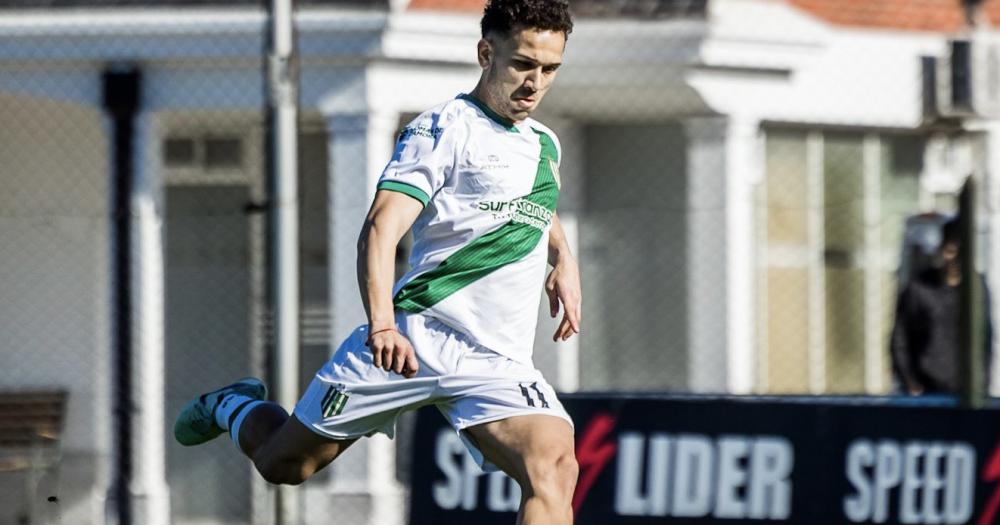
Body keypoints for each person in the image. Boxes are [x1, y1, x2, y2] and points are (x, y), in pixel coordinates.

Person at [173, 0, 581, 522]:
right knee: (285, 465)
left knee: (554, 468)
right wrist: (383, 326)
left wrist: (563, 258)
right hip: (409, 339)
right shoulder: (443, 130)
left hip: (493, 361)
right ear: (486, 53)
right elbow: (381, 229)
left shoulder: (544, 144)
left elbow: (538, 206)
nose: (535, 82)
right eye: (523, 63)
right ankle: (232, 404)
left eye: (549, 69)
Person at [890, 217, 992, 395]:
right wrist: (910, 383)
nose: (954, 259)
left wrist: (982, 383)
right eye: (950, 251)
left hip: (966, 391)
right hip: (926, 392)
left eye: (961, 252)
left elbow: (986, 338)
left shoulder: (977, 289)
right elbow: (900, 340)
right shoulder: (918, 289)